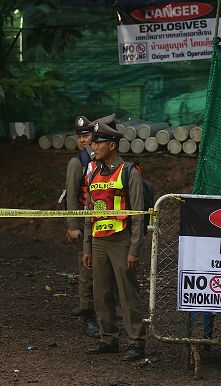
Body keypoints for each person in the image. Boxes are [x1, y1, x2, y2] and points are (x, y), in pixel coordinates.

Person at [82, 120, 147, 362]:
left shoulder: (129, 172)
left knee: (128, 293)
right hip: (99, 241)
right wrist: (87, 247)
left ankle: (137, 342)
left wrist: (134, 249)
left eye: (98, 143)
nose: (94, 147)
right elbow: (89, 214)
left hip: (121, 240)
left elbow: (138, 215)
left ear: (112, 145)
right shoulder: (94, 173)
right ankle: (107, 338)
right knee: (101, 292)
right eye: (93, 143)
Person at [65, 115, 99, 337]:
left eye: (86, 136)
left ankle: (104, 307)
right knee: (87, 270)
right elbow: (71, 196)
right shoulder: (77, 162)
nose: (82, 140)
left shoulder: (102, 160)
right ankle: (88, 314)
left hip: (103, 223)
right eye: (80, 137)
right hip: (84, 224)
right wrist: (73, 225)